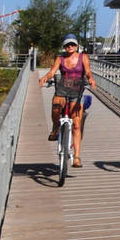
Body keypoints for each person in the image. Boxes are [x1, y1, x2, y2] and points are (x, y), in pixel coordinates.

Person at [39, 34, 96, 168]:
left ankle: (76, 157)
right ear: (64, 46)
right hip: (63, 89)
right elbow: (53, 71)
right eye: (67, 45)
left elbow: (88, 72)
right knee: (55, 107)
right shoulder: (60, 58)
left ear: (77, 46)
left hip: (77, 90)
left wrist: (91, 79)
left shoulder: (83, 57)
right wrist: (45, 77)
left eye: (72, 45)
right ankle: (56, 128)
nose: (70, 47)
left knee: (76, 124)